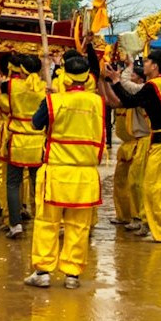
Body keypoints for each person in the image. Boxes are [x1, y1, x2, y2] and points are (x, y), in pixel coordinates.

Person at [24, 53, 105, 288]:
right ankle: (72, 275)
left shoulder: (54, 101)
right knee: (79, 226)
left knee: (47, 223)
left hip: (57, 173)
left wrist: (48, 102)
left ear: (65, 76)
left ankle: (43, 272)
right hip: (86, 175)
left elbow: (36, 124)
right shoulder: (97, 102)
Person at [103, 49, 161, 243]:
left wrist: (117, 81)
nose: (145, 65)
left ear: (155, 66)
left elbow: (130, 101)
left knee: (152, 187)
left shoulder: (153, 86)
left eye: (148, 61)